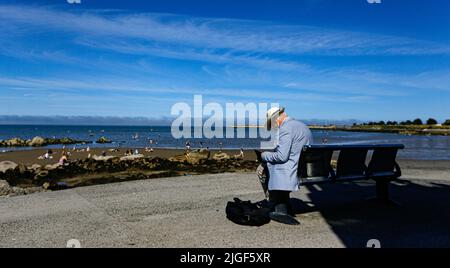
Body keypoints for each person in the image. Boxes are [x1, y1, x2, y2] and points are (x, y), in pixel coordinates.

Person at [257, 107, 313, 225]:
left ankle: (275, 203)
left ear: (275, 119)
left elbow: (282, 157)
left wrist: (264, 156)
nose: (272, 126)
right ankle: (281, 202)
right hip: (304, 168)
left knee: (261, 169)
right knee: (268, 165)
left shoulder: (285, 128)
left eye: (271, 123)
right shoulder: (303, 126)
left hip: (290, 170)